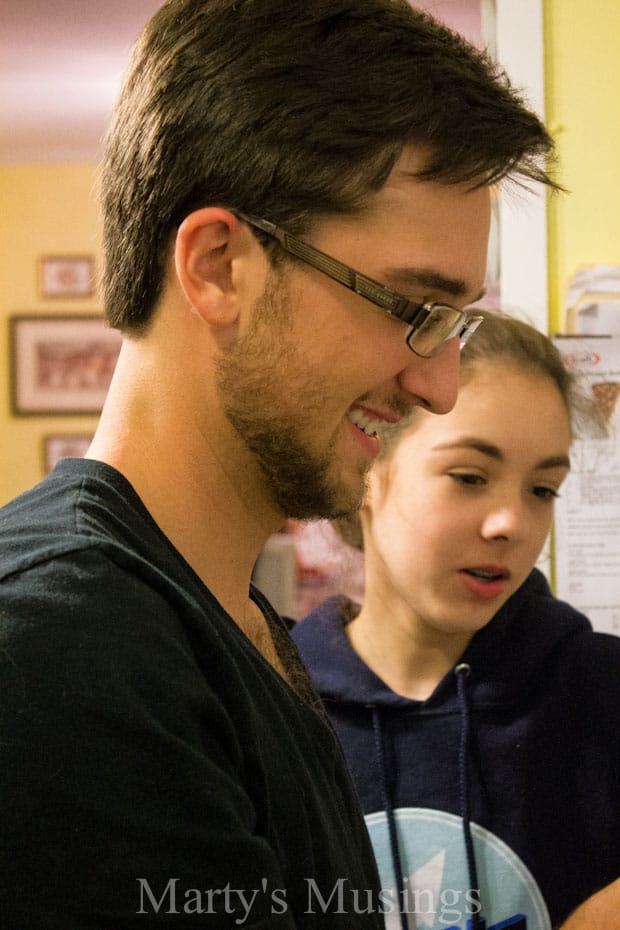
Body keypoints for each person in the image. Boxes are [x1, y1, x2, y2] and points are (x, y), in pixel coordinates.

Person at [0, 2, 559, 927]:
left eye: (455, 324)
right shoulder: (66, 659)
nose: (440, 384)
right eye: (413, 306)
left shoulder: (220, 618)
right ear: (220, 265)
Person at [292, 310, 620, 930]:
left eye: (542, 490)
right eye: (470, 478)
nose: (512, 525)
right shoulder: (275, 710)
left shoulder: (598, 691)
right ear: (368, 473)